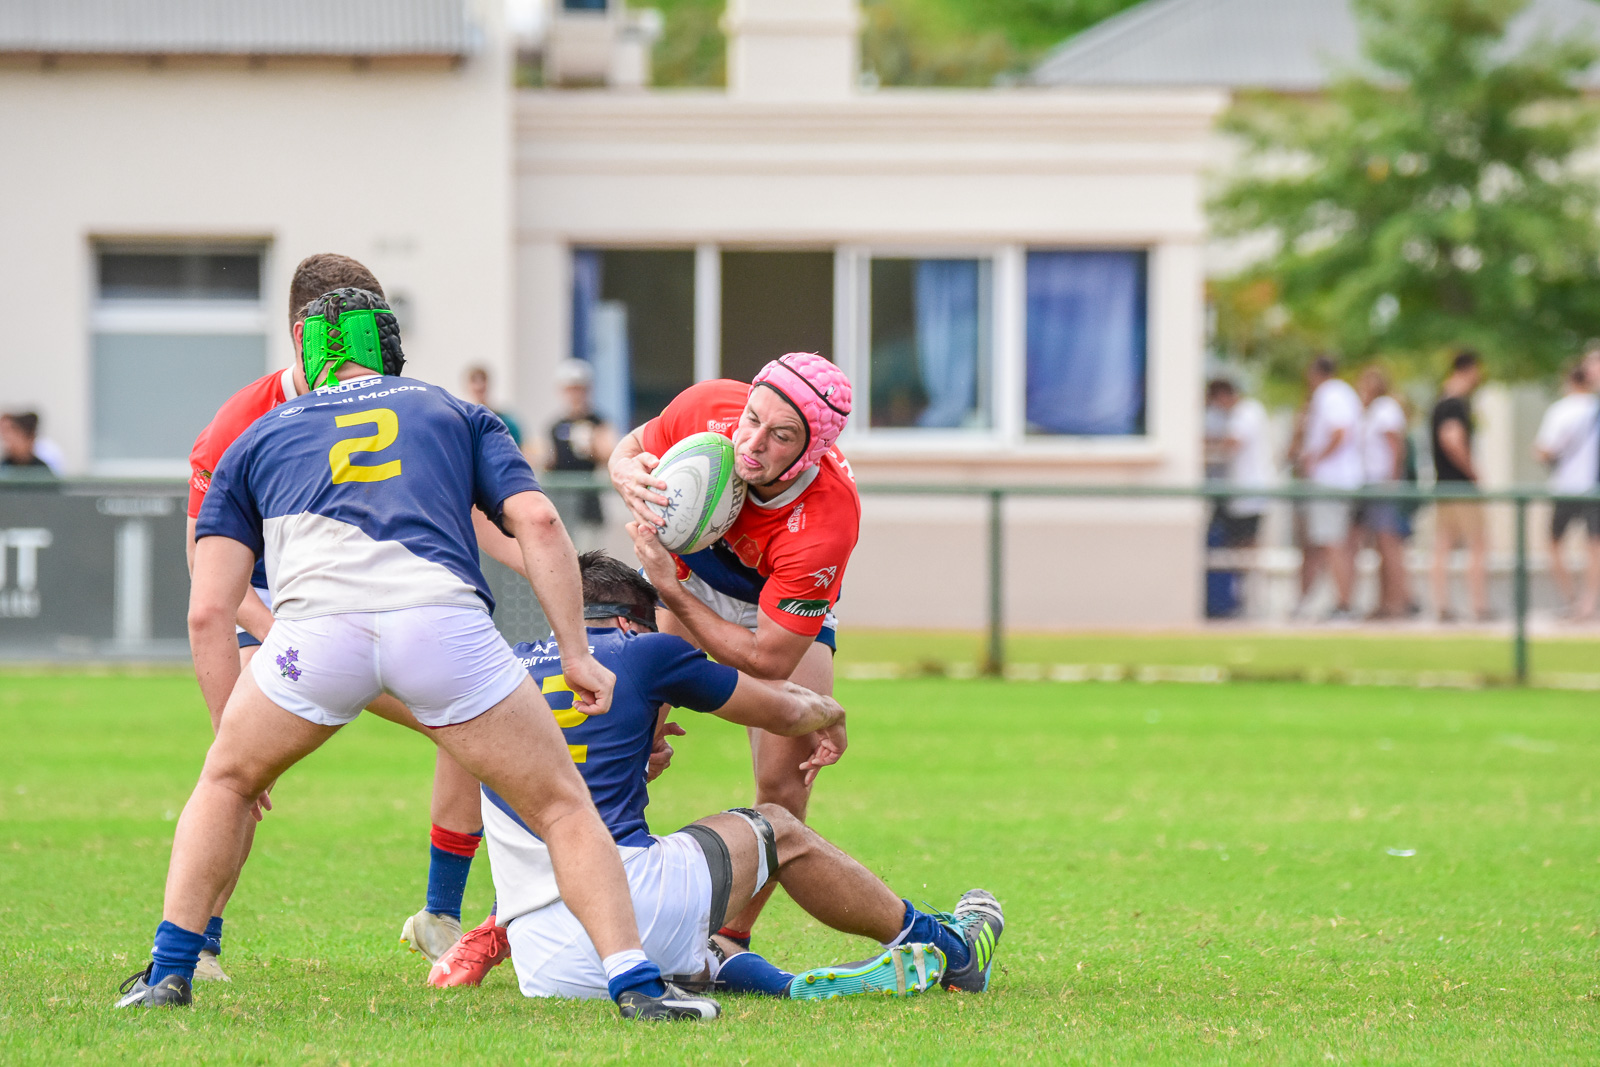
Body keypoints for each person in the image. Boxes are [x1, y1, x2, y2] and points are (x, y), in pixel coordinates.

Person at [117, 288, 713, 1022]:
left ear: (306, 357)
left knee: (224, 784)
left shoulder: (257, 435)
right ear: (392, 347)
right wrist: (575, 650)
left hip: (317, 637)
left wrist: (230, 735)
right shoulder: (452, 410)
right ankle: (636, 985)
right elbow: (538, 519)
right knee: (562, 806)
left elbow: (209, 607)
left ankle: (171, 969)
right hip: (442, 632)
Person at [425, 553, 1005, 1001]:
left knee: (697, 934)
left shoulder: (497, 670)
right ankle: (950, 948)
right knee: (780, 829)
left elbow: (553, 787)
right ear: (631, 621)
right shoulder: (642, 650)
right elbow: (784, 710)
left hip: (544, 963)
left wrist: (631, 759)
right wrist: (831, 714)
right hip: (629, 917)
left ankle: (776, 986)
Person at [181, 254, 487, 981]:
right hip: (283, 626)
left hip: (376, 617)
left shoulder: (395, 402)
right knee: (235, 776)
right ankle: (199, 944)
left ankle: (440, 915)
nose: (367, 351)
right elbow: (207, 577)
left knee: (474, 721)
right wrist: (276, 627)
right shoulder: (238, 422)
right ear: (303, 336)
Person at [609, 353, 859, 950]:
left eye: (781, 437)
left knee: (787, 784)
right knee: (612, 739)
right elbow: (628, 447)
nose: (752, 444)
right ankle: (516, 916)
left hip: (772, 612)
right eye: (752, 419)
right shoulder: (709, 407)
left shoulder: (826, 517)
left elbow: (768, 659)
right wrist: (624, 472)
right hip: (691, 578)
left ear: (811, 450)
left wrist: (665, 587)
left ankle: (727, 938)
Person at [1295, 356, 1363, 619]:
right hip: (1340, 481)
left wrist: (1315, 458)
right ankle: (1328, 601)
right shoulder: (1343, 393)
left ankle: (1343, 605)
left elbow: (1339, 432)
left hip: (1331, 482)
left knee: (1333, 544)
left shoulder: (1330, 393)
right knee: (1335, 543)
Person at [1533, 361, 1600, 619]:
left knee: (1553, 541)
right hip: (1593, 487)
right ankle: (1589, 602)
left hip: (1568, 487)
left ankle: (1572, 598)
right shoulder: (1594, 408)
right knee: (1594, 546)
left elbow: (1544, 449)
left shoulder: (1561, 411)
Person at [1429, 350, 1488, 622]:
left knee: (1443, 545)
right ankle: (1478, 606)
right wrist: (1473, 472)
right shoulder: (1455, 404)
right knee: (1477, 544)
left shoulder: (1441, 401)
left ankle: (1442, 604)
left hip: (1443, 484)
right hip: (1460, 486)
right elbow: (1451, 438)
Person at [1354, 366, 1414, 619]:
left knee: (1390, 544)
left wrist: (1392, 479)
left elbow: (1395, 446)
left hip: (1383, 486)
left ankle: (1398, 601)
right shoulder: (1372, 413)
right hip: (1373, 485)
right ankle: (1384, 601)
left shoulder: (1385, 409)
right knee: (1381, 545)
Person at [544, 359, 617, 554]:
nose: (575, 394)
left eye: (579, 388)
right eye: (571, 389)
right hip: (561, 505)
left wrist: (592, 443)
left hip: (588, 504)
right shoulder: (555, 425)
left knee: (586, 559)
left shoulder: (598, 421)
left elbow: (610, 455)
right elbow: (549, 461)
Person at [464, 365, 524, 446]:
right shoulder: (462, 420)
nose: (479, 386)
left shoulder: (506, 421)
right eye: (474, 381)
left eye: (483, 380)